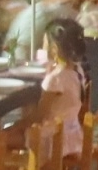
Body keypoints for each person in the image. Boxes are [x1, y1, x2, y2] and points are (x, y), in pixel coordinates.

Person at [2, 0, 82, 62]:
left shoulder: (51, 11)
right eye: (67, 2)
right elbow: (21, 47)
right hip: (19, 62)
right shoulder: (39, 14)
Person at [38, 19, 88, 162]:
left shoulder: (54, 79)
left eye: (44, 44)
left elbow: (40, 116)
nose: (42, 48)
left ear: (53, 49)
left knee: (4, 137)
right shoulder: (77, 70)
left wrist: (17, 125)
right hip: (72, 135)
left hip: (52, 141)